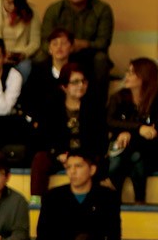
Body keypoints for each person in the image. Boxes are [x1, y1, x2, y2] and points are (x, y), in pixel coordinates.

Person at [29, 64, 108, 197]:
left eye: (84, 81)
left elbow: (100, 140)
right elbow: (43, 138)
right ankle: (36, 200)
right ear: (64, 87)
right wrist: (58, 153)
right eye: (75, 82)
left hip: (84, 155)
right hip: (60, 154)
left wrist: (80, 156)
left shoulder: (94, 107)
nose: (81, 85)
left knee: (99, 162)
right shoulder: (51, 106)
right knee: (40, 159)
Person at [108, 58, 158, 204]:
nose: (127, 76)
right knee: (126, 158)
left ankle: (117, 200)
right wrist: (137, 129)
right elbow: (109, 121)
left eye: (132, 73)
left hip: (149, 152)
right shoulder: (118, 97)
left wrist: (128, 133)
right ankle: (134, 200)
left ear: (144, 76)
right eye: (127, 72)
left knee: (135, 156)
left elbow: (154, 133)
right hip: (123, 149)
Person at [38, 0, 114, 94]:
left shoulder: (102, 9)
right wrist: (58, 49)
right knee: (39, 58)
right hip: (61, 53)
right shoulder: (54, 9)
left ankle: (98, 106)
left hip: (88, 53)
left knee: (101, 60)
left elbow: (104, 42)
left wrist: (84, 44)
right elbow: (45, 40)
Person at [22, 29, 77, 116]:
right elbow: (29, 98)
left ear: (71, 48)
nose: (59, 47)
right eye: (55, 44)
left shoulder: (79, 71)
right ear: (49, 49)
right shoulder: (38, 70)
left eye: (63, 43)